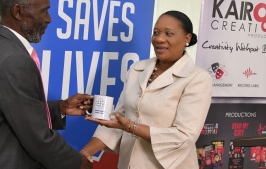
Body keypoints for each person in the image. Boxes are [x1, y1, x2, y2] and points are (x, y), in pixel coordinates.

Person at [0, 0, 93, 169]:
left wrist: (61, 108)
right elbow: (38, 138)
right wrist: (78, 163)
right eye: (44, 11)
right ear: (18, 12)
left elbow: (15, 108)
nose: (49, 19)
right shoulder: (14, 59)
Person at [80, 10, 213, 169]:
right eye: (156, 32)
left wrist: (130, 127)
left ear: (187, 38)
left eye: (168, 33)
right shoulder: (137, 69)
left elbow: (183, 137)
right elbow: (118, 119)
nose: (159, 39)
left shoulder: (197, 78)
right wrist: (86, 152)